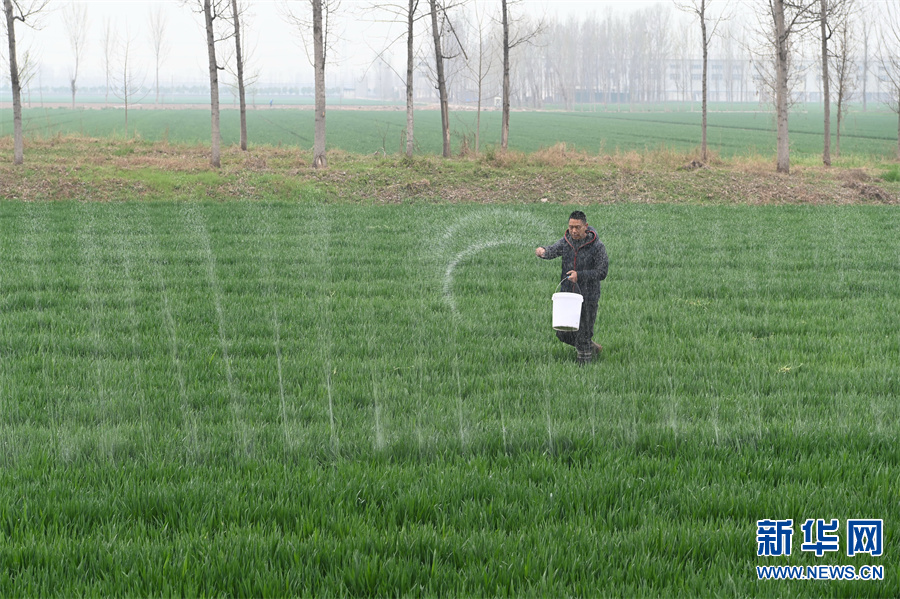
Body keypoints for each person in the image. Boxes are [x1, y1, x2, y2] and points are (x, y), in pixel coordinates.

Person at [535, 210, 609, 364]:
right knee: (562, 332)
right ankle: (591, 347)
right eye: (571, 227)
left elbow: (602, 272)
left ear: (586, 227)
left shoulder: (597, 247)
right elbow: (552, 251)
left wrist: (579, 275)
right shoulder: (566, 242)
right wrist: (543, 251)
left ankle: (584, 371)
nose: (574, 231)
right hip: (568, 297)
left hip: (589, 297)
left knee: (583, 334)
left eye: (577, 227)